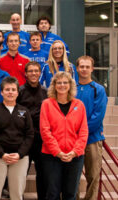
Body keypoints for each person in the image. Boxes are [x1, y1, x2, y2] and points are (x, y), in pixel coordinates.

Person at [40, 72, 88, 200]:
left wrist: (74, 152)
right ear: (54, 85)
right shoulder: (46, 104)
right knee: (52, 194)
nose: (62, 85)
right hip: (51, 156)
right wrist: (58, 152)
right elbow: (45, 130)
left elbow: (83, 132)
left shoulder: (79, 105)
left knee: (70, 194)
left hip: (75, 157)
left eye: (65, 82)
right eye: (59, 82)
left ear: (70, 85)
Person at [0, 76, 34, 200]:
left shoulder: (24, 111)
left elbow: (29, 135)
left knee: (17, 195)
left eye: (13, 89)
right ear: (2, 92)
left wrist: (20, 154)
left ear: (18, 92)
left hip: (19, 159)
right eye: (7, 90)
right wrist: (1, 154)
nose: (10, 92)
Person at [76, 56, 107, 200]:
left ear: (92, 69)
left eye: (87, 67)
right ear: (77, 68)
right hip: (73, 140)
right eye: (81, 66)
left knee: (93, 176)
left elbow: (97, 117)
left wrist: (81, 132)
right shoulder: (71, 87)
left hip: (92, 139)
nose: (84, 69)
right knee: (72, 176)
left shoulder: (99, 90)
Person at [16, 61, 47, 200]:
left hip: (42, 139)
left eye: (36, 71)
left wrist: (28, 114)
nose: (34, 73)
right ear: (26, 74)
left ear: (40, 73)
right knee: (21, 174)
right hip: (24, 139)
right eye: (31, 71)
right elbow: (17, 113)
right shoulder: (20, 91)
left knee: (43, 174)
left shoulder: (46, 92)